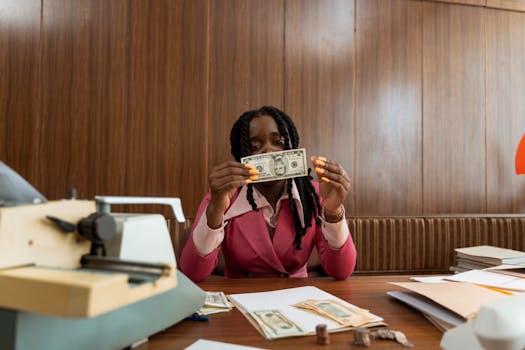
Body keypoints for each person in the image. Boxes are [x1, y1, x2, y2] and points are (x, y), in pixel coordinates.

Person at [180, 106, 356, 282]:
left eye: (278, 141)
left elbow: (341, 271)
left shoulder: (314, 194)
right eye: (254, 146)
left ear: (291, 147)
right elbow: (192, 272)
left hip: (297, 296)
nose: (269, 151)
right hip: (240, 295)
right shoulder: (223, 195)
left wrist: (333, 212)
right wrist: (215, 212)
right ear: (242, 155)